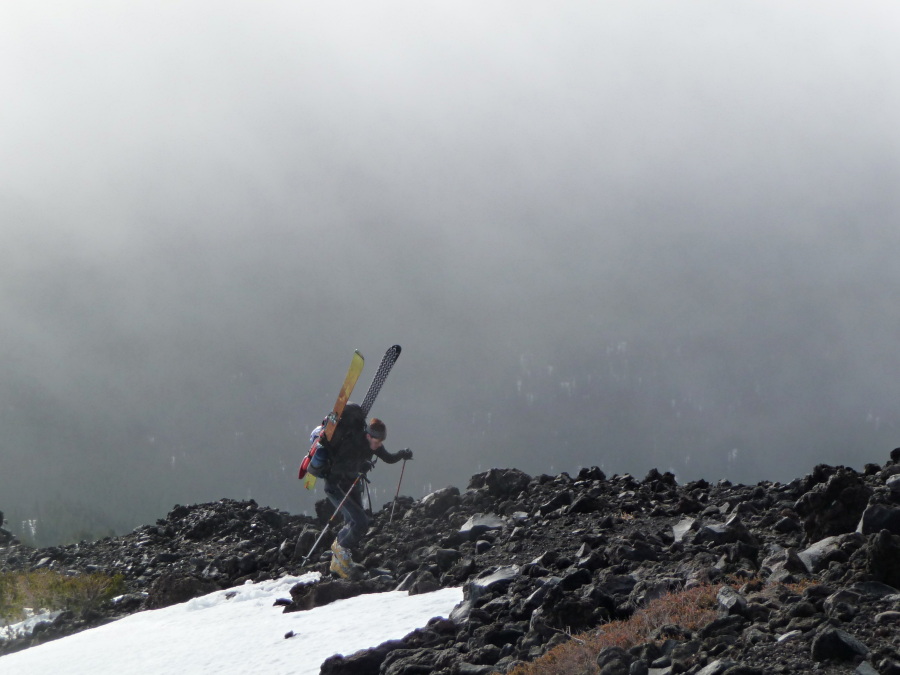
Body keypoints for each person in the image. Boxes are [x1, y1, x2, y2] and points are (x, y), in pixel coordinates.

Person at [319, 403, 413, 578]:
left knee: (354, 520)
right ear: (368, 436)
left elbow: (388, 458)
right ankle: (341, 549)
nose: (378, 446)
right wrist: (359, 467)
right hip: (336, 487)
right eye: (376, 442)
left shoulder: (373, 444)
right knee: (360, 522)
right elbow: (337, 469)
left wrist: (402, 454)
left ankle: (337, 562)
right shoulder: (353, 443)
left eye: (380, 443)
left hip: (351, 485)